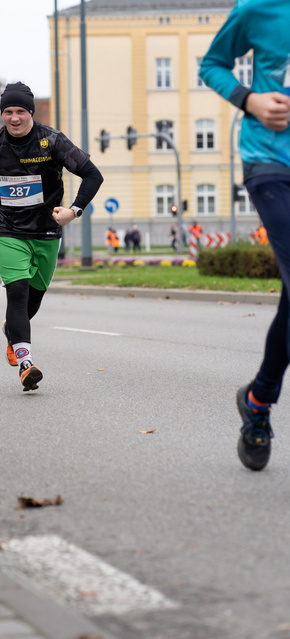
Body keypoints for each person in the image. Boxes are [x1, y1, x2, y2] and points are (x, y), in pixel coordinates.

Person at [0, 81, 103, 391]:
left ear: (31, 112)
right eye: (8, 112)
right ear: (2, 114)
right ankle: (25, 364)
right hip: (8, 230)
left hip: (46, 231)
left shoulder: (52, 142)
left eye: (20, 111)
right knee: (16, 294)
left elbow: (92, 175)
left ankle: (11, 331)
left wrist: (75, 210)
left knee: (33, 299)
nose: (14, 118)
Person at [200, 0, 290, 471]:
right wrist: (250, 100)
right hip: (271, 162)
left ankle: (257, 401)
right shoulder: (260, 7)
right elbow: (211, 64)